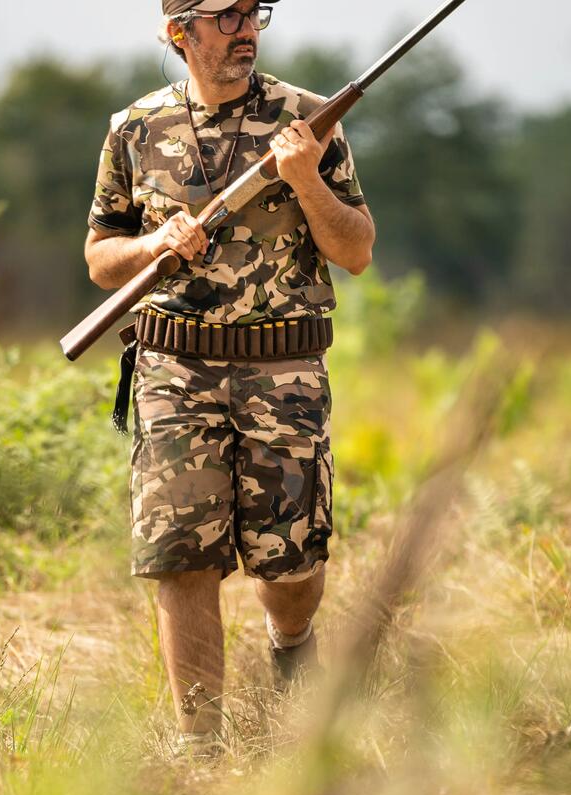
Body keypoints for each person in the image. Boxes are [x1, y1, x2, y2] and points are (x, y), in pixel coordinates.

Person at [84, 0, 375, 755]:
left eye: (255, 13)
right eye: (226, 16)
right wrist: (155, 247)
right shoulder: (134, 129)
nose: (246, 30)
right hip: (174, 368)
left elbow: (356, 250)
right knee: (181, 557)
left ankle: (292, 640)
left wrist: (306, 179)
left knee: (291, 566)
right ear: (180, 31)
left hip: (283, 371)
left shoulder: (307, 120)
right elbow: (99, 257)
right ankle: (200, 751)